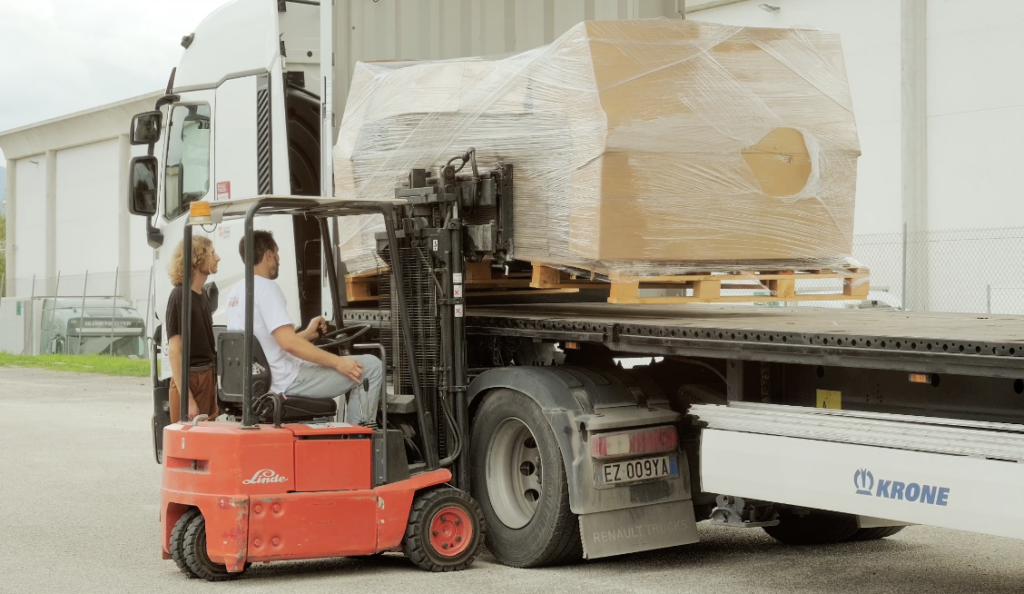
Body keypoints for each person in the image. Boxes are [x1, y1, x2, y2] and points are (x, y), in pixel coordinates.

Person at [224, 230, 382, 426]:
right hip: (286, 381)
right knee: (371, 366)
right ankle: (358, 438)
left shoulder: (235, 294)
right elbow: (289, 343)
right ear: (269, 255)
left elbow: (269, 343)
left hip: (263, 381)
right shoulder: (266, 288)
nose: (279, 259)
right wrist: (338, 362)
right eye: (277, 253)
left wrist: (307, 334)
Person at [166, 235, 221, 423]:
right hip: (191, 380)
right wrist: (188, 400)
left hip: (206, 376)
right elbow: (175, 351)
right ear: (196, 260)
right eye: (212, 254)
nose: (218, 258)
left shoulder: (202, 294)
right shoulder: (179, 296)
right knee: (189, 438)